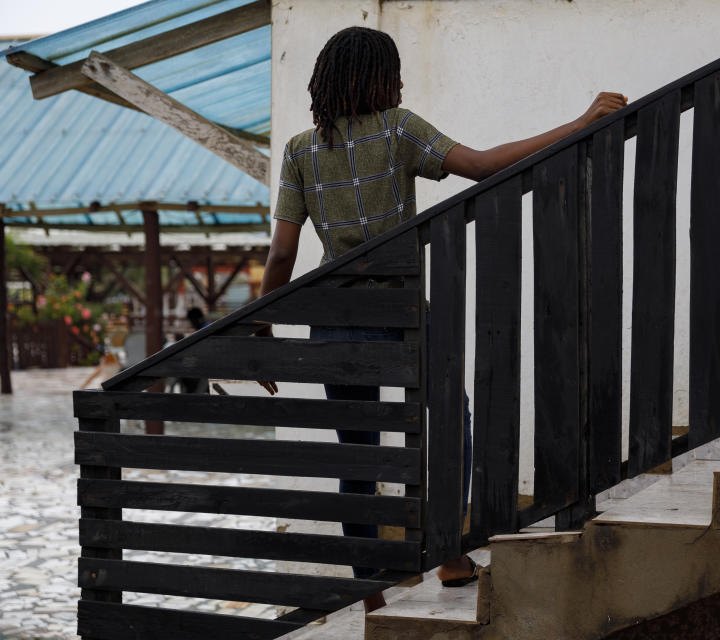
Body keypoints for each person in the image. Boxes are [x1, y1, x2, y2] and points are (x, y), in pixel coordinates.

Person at [256, 25, 626, 611]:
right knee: (449, 421)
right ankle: (450, 554)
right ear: (378, 77)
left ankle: (369, 587)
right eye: (394, 72)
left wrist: (261, 326)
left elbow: (281, 254)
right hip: (401, 310)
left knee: (359, 449)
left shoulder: (302, 149)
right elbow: (481, 166)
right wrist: (577, 126)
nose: (400, 82)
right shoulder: (400, 128)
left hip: (333, 317)